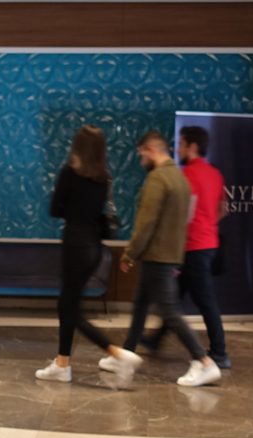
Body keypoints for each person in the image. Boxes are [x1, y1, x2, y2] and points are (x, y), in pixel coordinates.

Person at [105, 130, 221, 388]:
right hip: (169, 255)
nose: (140, 160)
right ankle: (126, 355)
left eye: (140, 154)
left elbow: (146, 223)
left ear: (150, 149)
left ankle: (204, 362)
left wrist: (129, 253)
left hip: (156, 256)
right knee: (140, 306)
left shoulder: (158, 179)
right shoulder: (179, 179)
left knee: (169, 312)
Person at [35, 125, 142, 383]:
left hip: (75, 244)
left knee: (68, 308)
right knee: (69, 305)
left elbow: (55, 208)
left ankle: (115, 353)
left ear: (77, 147)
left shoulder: (69, 173)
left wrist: (71, 208)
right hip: (94, 247)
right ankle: (63, 363)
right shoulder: (104, 177)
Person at [142, 126, 230, 369]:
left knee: (205, 301)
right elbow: (224, 208)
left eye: (180, 144)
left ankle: (220, 353)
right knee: (174, 298)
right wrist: (208, 223)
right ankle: (155, 340)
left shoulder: (187, 175)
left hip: (193, 247)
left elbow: (184, 213)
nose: (177, 149)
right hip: (209, 244)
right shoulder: (215, 174)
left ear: (192, 147)